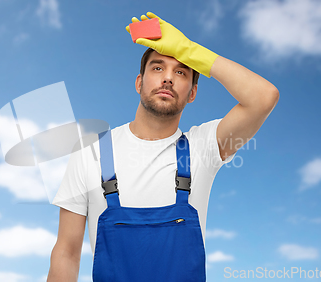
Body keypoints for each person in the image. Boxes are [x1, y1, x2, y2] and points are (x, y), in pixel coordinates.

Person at [47, 12, 279, 281]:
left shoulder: (203, 147)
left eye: (180, 72)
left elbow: (264, 97)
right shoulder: (91, 152)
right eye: (157, 68)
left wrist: (189, 50)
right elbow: (67, 251)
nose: (168, 78)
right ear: (139, 82)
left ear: (192, 93)